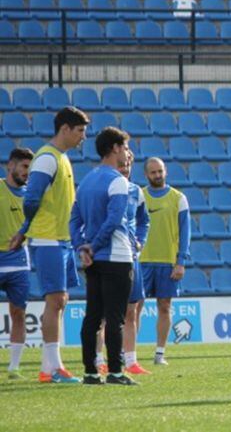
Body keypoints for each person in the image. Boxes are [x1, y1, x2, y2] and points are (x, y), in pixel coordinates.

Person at [9, 107, 89, 384]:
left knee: (61, 300)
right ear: (64, 129)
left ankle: (49, 366)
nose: (84, 137)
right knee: (54, 301)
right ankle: (52, 369)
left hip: (61, 239)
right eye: (80, 131)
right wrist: (24, 230)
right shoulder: (46, 159)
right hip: (48, 239)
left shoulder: (62, 158)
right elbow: (31, 199)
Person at [70, 126, 137, 386]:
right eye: (125, 148)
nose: (127, 154)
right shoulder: (118, 181)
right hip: (117, 256)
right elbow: (113, 221)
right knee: (115, 318)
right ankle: (116, 372)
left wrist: (83, 247)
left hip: (93, 260)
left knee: (93, 316)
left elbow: (74, 219)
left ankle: (89, 372)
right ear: (116, 148)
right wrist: (94, 246)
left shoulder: (85, 180)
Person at [93, 149, 151, 375]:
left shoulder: (137, 192)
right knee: (103, 313)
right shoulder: (104, 188)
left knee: (131, 310)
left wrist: (140, 241)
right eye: (121, 164)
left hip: (131, 257)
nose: (125, 168)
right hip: (108, 256)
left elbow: (144, 221)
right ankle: (99, 359)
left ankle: (131, 360)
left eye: (128, 164)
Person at [140, 157, 190, 366]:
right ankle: (127, 354)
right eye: (153, 172)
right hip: (142, 261)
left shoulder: (178, 198)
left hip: (168, 262)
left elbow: (185, 232)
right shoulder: (139, 196)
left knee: (164, 307)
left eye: (160, 171)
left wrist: (180, 261)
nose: (157, 175)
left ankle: (160, 353)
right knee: (133, 308)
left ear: (165, 171)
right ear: (146, 175)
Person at [1, 148, 34, 379]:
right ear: (10, 166)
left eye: (30, 169)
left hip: (19, 261)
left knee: (19, 313)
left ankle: (14, 367)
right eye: (23, 167)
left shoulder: (31, 196)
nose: (27, 172)